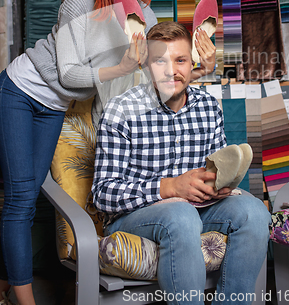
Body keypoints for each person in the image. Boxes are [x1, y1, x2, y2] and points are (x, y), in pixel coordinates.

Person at [0, 0, 216, 305]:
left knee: (29, 195)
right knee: (20, 199)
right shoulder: (81, 1)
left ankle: (11, 283)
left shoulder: (143, 14)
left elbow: (160, 75)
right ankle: (23, 298)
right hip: (22, 89)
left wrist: (199, 69)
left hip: (55, 106)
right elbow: (67, 74)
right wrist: (120, 68)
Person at [92, 21, 271, 305]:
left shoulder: (208, 107)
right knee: (181, 215)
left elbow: (214, 168)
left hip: (199, 210)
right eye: (159, 60)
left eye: (180, 60)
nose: (171, 70)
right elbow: (103, 194)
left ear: (192, 63)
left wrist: (219, 184)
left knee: (254, 212)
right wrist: (171, 187)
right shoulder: (121, 109)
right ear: (145, 64)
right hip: (135, 218)